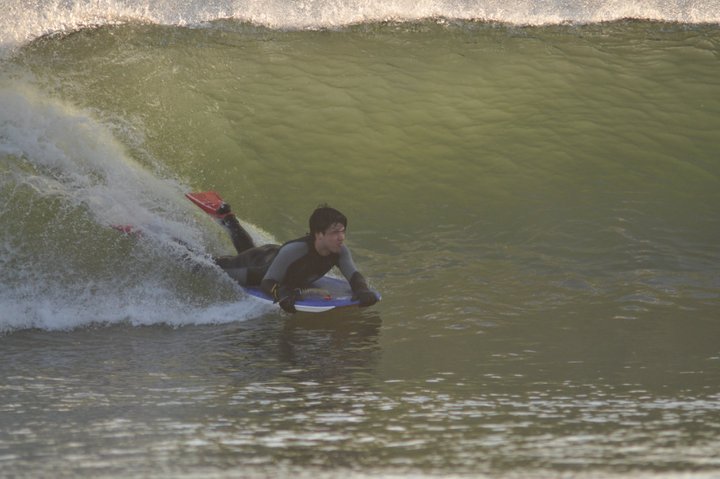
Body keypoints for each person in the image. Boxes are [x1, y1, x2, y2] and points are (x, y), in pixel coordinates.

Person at [213, 203, 378, 313]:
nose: (341, 237)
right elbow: (267, 282)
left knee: (247, 248)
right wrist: (280, 293)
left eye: (343, 231)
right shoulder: (297, 249)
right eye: (335, 232)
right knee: (213, 267)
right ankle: (188, 251)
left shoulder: (340, 251)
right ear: (318, 234)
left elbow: (354, 276)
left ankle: (229, 219)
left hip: (276, 258)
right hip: (259, 265)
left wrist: (362, 289)